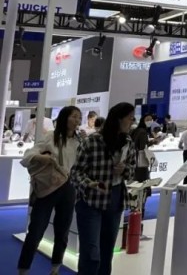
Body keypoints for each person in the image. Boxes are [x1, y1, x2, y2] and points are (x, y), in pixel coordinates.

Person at [71, 102, 137, 275]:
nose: (132, 122)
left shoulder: (128, 142)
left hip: (115, 198)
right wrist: (90, 184)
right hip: (91, 200)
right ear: (118, 119)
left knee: (107, 252)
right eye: (130, 118)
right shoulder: (92, 141)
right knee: (91, 253)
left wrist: (124, 170)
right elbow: (75, 173)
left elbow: (132, 171)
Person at [18, 106, 82, 275]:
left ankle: (55, 269)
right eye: (73, 116)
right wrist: (42, 158)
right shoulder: (51, 136)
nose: (77, 120)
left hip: (68, 188)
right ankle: (23, 270)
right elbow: (27, 156)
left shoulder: (79, 141)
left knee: (62, 232)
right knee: (35, 231)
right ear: (64, 118)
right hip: (48, 188)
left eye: (78, 117)